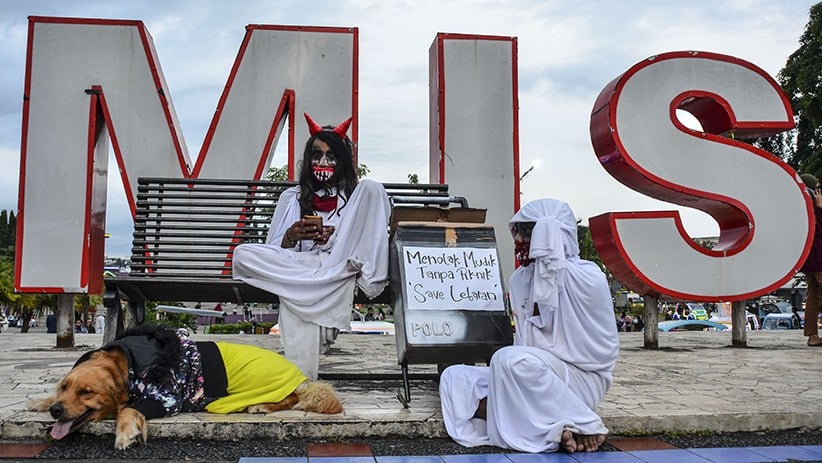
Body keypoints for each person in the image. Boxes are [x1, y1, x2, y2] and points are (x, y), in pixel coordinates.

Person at [439, 199, 620, 453]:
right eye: (518, 232)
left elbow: (600, 353)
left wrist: (551, 264)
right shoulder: (520, 280)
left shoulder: (587, 277)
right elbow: (526, 345)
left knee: (509, 360)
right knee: (454, 378)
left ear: (550, 233)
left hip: (581, 377)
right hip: (534, 375)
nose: (520, 241)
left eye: (528, 232)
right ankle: (554, 426)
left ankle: (585, 424)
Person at [233, 113, 391, 379]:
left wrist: (335, 237)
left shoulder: (356, 197)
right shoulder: (290, 198)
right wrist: (291, 237)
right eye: (317, 155)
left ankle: (317, 287)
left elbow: (367, 242)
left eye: (331, 156)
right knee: (242, 254)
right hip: (307, 270)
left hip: (340, 263)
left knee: (373, 188)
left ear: (342, 161)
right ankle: (321, 289)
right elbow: (275, 252)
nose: (323, 162)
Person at [800, 174, 822, 346]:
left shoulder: (799, 207)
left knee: (812, 297)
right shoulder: (813, 209)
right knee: (812, 297)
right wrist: (820, 208)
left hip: (809, 260)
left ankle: (812, 335)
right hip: (818, 257)